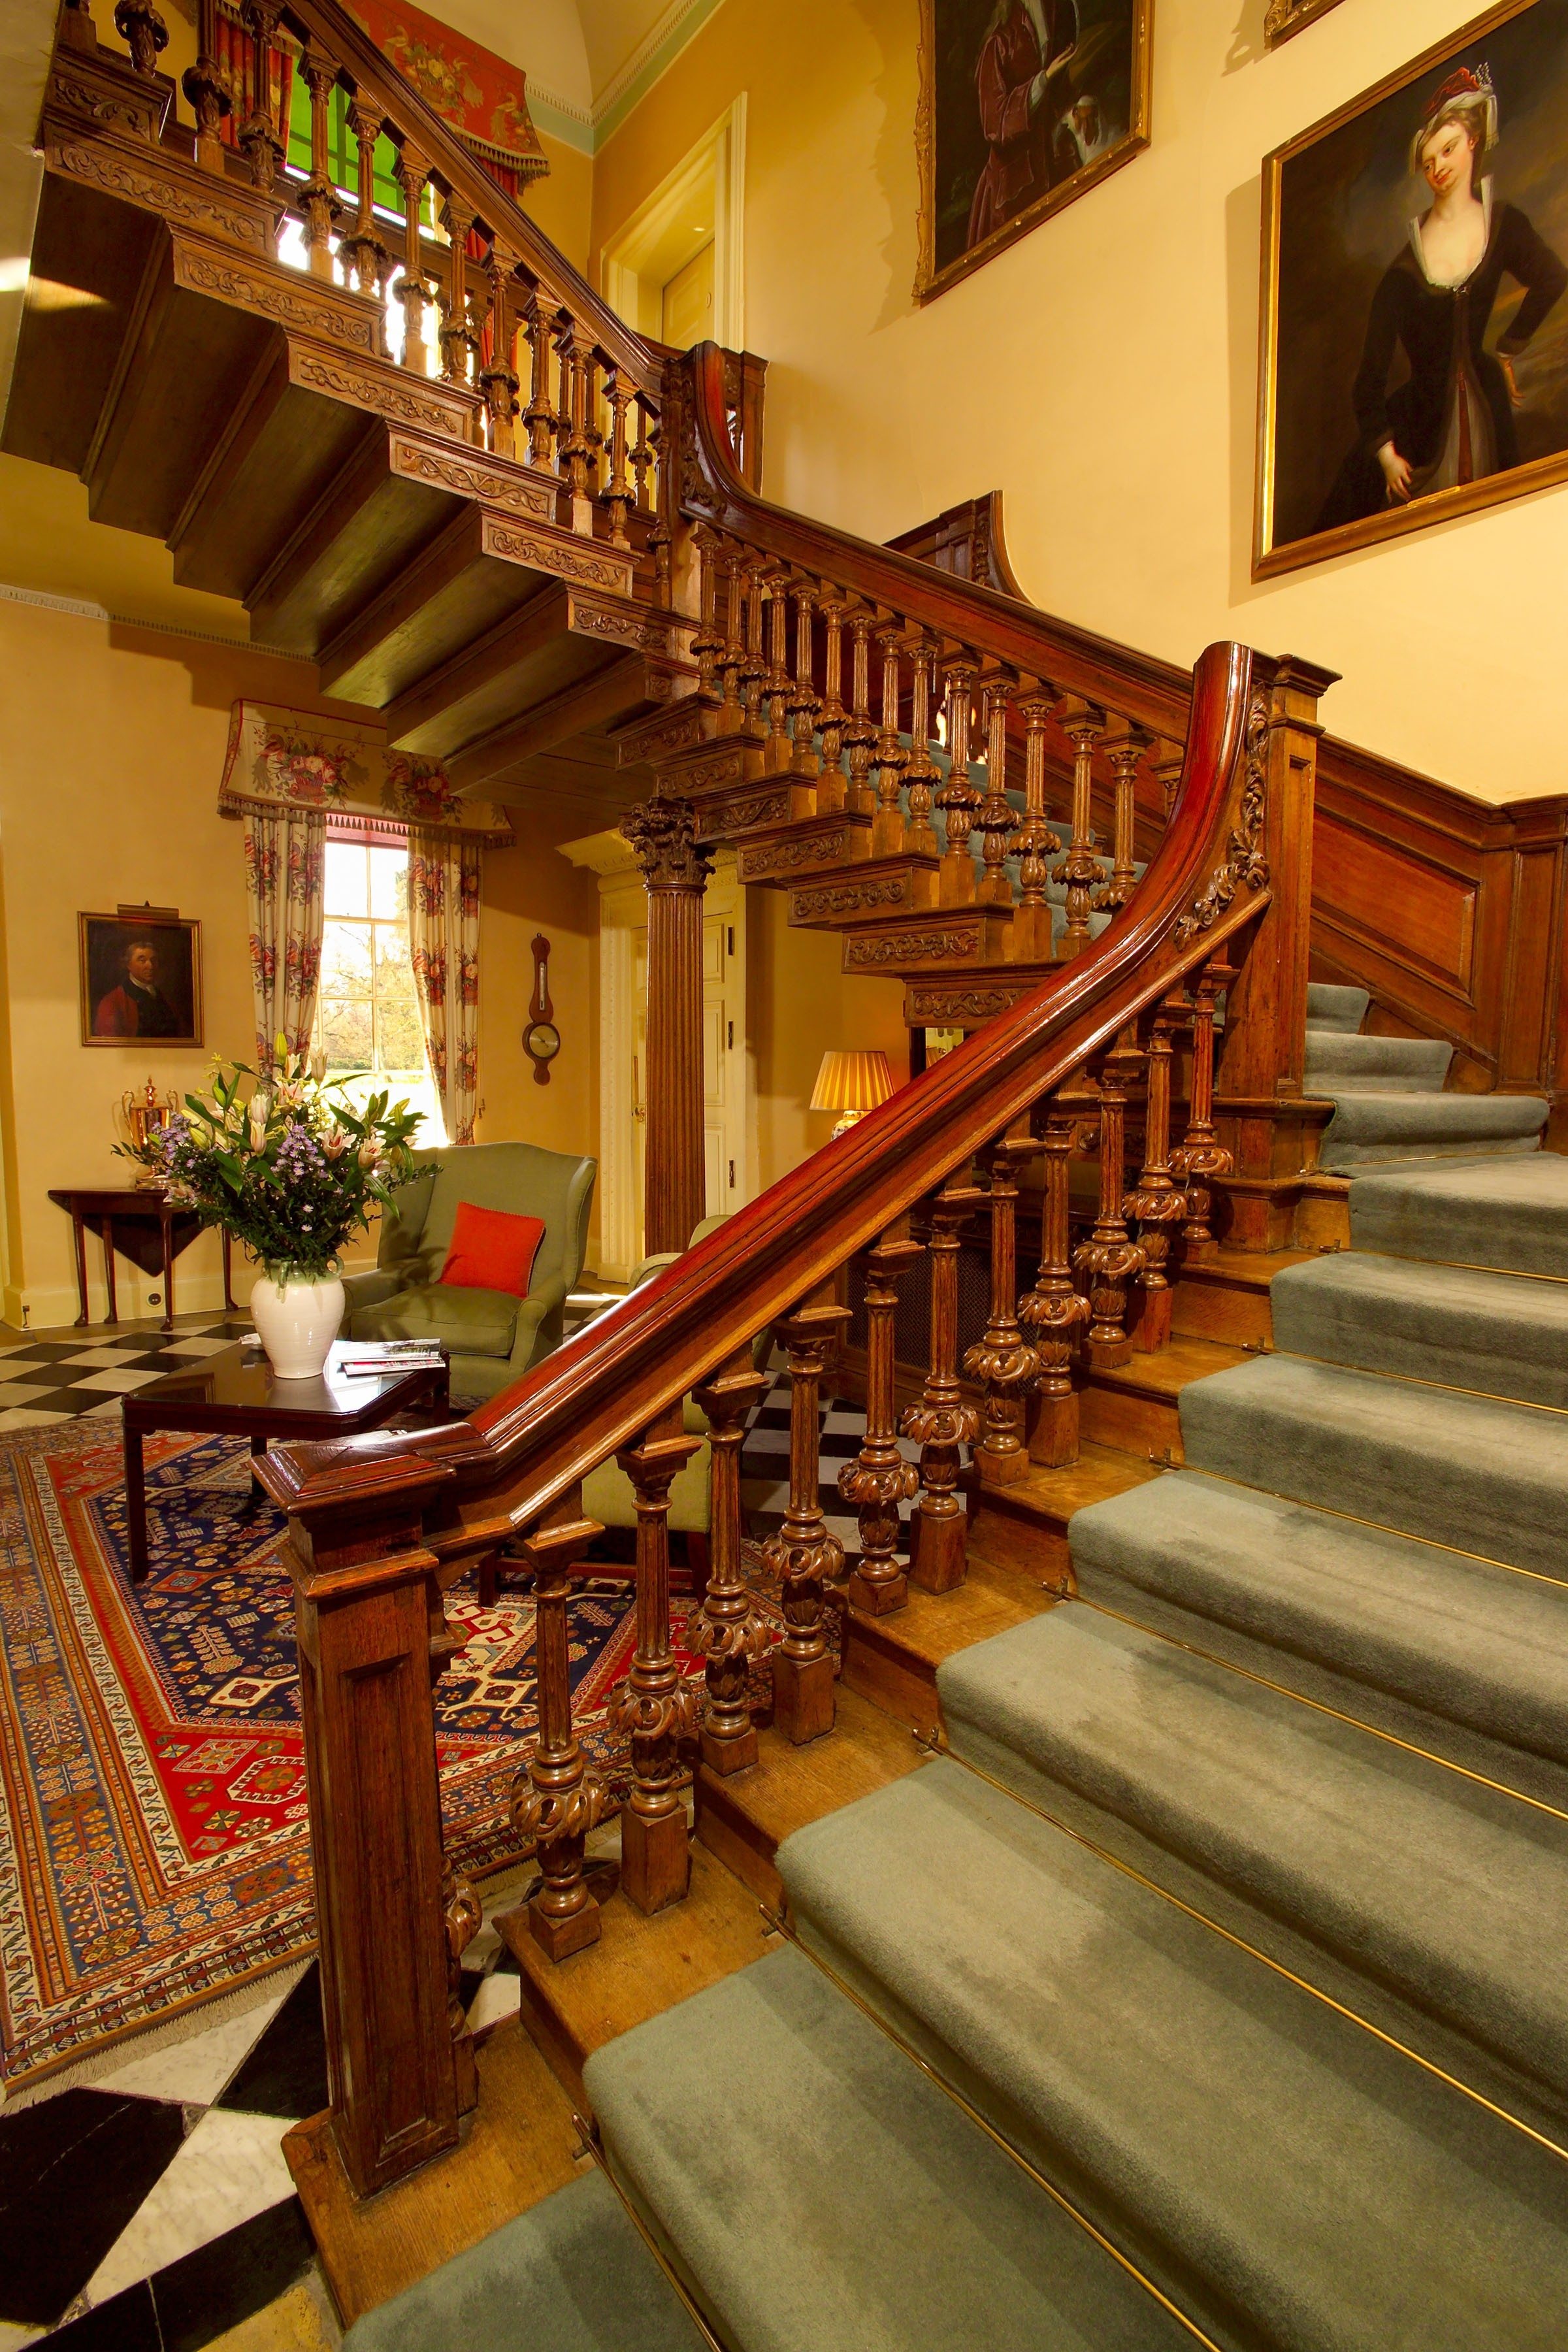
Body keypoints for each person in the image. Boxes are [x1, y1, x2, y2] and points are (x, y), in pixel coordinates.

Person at [1317, 64, 1567, 531]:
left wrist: (1509, 345)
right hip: (1421, 431)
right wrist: (1387, 456)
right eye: (1429, 163)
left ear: (1473, 140)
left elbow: (1552, 277)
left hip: (1486, 410)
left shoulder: (1503, 225)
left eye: (1448, 150)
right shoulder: (1402, 272)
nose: (1439, 170)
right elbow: (1368, 381)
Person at [968, 0, 1079, 251]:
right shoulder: (998, 44)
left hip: (1048, 170)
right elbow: (995, 124)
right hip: (1011, 188)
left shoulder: (1055, 14)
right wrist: (1043, 80)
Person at [94, 935, 182, 1037]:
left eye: (153, 960)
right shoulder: (113, 1001)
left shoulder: (165, 998)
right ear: (128, 965)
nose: (150, 966)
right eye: (142, 960)